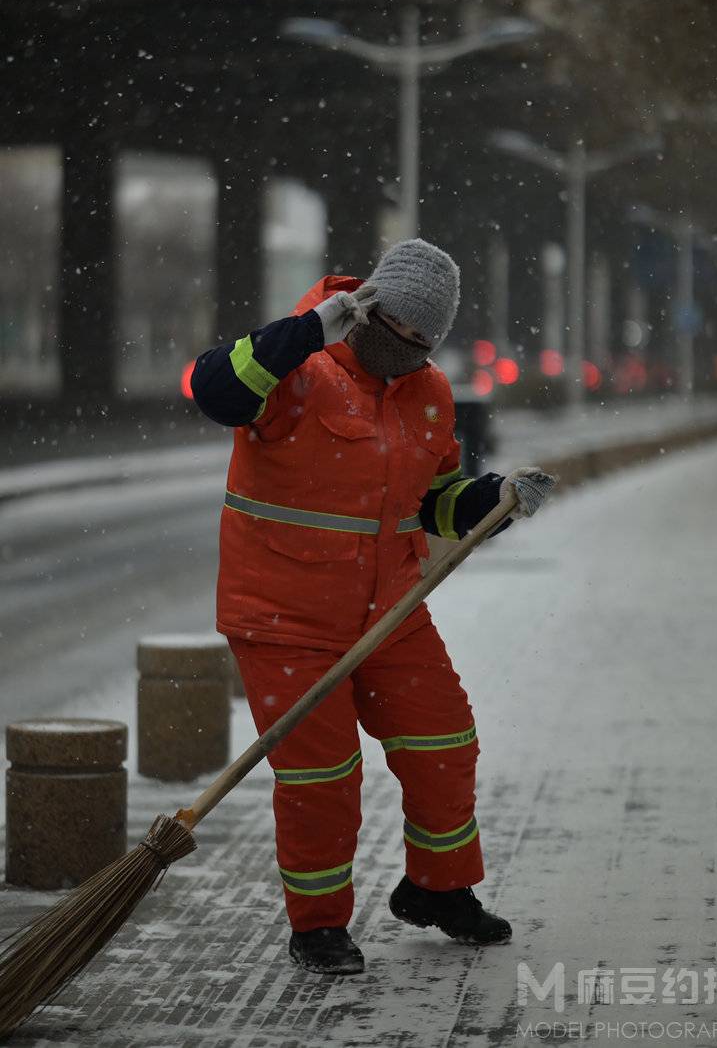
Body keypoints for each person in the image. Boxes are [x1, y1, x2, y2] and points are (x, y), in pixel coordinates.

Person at [191, 238, 555, 975]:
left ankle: (437, 888)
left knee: (444, 745)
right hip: (282, 617)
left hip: (390, 611)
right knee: (323, 779)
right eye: (401, 333)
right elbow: (212, 390)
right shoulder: (297, 369)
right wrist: (302, 335)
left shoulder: (428, 393)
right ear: (368, 312)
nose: (411, 352)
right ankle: (319, 925)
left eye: (426, 342)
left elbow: (436, 506)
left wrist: (498, 499)